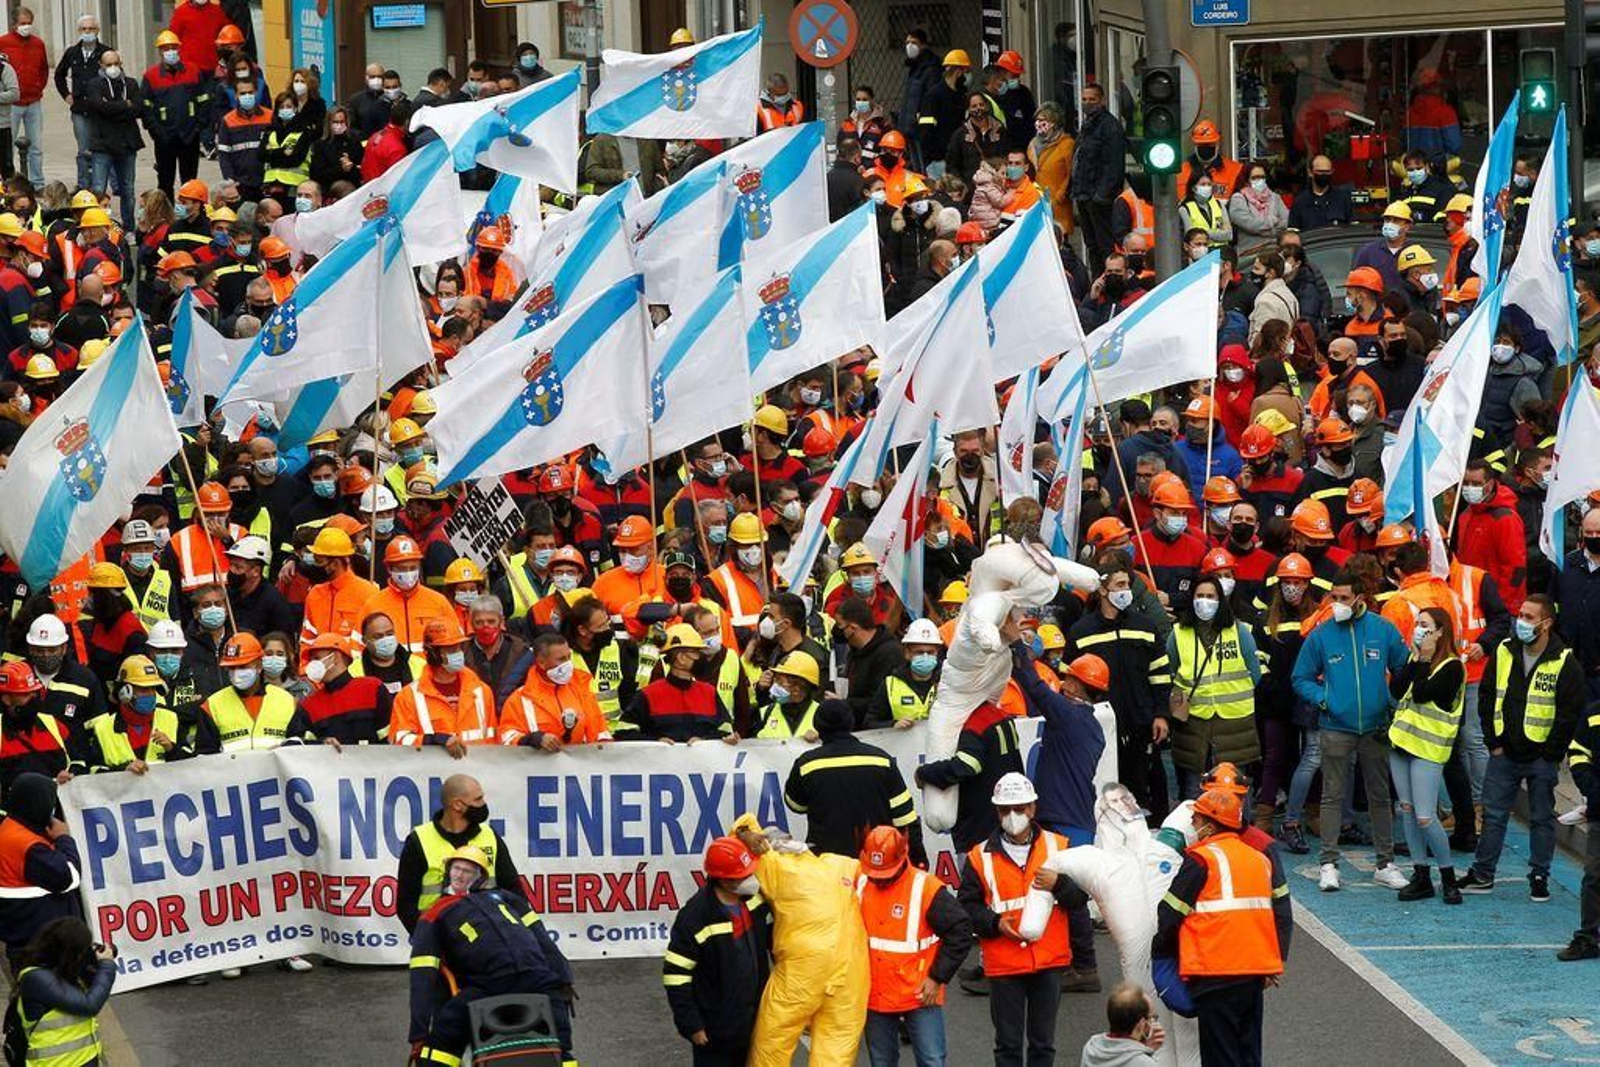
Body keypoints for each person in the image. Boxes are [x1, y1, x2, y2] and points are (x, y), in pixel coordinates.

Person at [1459, 594, 1585, 903]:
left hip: (1542, 757)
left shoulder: (1564, 662)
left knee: (1542, 818)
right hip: (1504, 753)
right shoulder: (1504, 650)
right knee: (1493, 815)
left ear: (1546, 623)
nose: (1522, 622)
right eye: (1521, 615)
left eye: (1529, 617)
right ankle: (1483, 873)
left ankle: (1539, 876)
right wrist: (1494, 743)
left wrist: (1551, 754)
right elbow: (1488, 697)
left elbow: (1569, 714)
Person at [1291, 572, 1412, 892]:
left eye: (1344, 598)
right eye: (1334, 597)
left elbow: (1404, 668)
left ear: (1360, 598)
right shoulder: (1321, 635)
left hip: (1375, 728)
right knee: (1332, 795)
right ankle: (1328, 864)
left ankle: (1385, 863)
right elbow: (1301, 677)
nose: (1337, 604)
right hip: (1335, 727)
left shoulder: (1383, 629)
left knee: (1380, 796)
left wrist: (1391, 702)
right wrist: (1324, 700)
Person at [1152, 789, 1290, 1067]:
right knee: (1247, 1054)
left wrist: (1163, 958)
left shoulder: (1201, 860)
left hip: (1214, 972)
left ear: (1210, 824)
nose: (1192, 825)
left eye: (1196, 819)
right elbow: (1275, 915)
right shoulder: (1259, 859)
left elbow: (1169, 913)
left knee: (1220, 1057)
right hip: (1253, 974)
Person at [957, 772, 1087, 1067]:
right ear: (997, 811)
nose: (1013, 816)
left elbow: (1079, 901)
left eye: (1020, 808)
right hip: (1004, 965)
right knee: (1008, 1047)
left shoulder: (1059, 847)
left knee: (1043, 1046)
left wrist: (1059, 884)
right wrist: (994, 924)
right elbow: (966, 908)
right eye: (1006, 810)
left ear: (1033, 808)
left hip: (1049, 962)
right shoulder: (980, 857)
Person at [408, 845, 577, 1066]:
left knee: (561, 1045)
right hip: (490, 982)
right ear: (448, 870)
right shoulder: (433, 913)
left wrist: (564, 979)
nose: (459, 875)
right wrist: (418, 1033)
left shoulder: (506, 898)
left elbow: (543, 940)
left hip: (537, 977)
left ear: (480, 877)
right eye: (456, 868)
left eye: (467, 871)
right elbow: (423, 972)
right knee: (444, 1034)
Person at [731, 813, 869, 1067]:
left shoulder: (776, 867)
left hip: (802, 972)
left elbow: (739, 836)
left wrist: (745, 833)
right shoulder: (842, 864)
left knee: (773, 1041)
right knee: (837, 1048)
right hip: (852, 974)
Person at [1013, 645, 1109, 993]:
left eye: (1069, 678)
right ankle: (1073, 961)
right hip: (1075, 817)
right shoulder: (1091, 726)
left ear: (1078, 687)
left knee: (1070, 894)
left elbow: (1034, 687)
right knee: (1066, 890)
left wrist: (1017, 650)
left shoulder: (1068, 716)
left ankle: (1084, 966)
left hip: (1064, 819)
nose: (1063, 683)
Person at [857, 825, 974, 1067]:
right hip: (875, 994)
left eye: (885, 874)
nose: (879, 880)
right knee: (881, 1061)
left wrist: (936, 977)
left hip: (919, 994)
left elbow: (961, 931)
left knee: (931, 1060)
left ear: (902, 858)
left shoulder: (925, 888)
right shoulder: (861, 883)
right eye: (875, 874)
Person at [663, 837, 773, 1065]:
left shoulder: (754, 902)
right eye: (742, 876)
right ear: (724, 880)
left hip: (753, 1024)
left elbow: (776, 939)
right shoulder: (695, 917)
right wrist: (692, 1025)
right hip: (715, 1032)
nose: (750, 879)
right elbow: (676, 978)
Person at [1388, 607, 1467, 905]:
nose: (1418, 629)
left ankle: (1448, 878)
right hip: (1402, 745)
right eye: (1417, 624)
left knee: (1425, 816)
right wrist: (1416, 658)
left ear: (1440, 631)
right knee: (1406, 810)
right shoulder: (1415, 659)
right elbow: (1397, 689)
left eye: (1424, 625)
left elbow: (1422, 693)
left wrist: (1422, 659)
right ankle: (1420, 875)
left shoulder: (1452, 667)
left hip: (1428, 751)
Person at [784, 699, 924, 864]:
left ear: (818, 726)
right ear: (851, 723)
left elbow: (795, 805)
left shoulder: (806, 764)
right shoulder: (881, 760)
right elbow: (904, 817)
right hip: (877, 863)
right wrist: (919, 860)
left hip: (827, 865)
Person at [396, 773, 525, 933]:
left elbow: (515, 892)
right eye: (478, 799)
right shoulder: (419, 841)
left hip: (489, 939)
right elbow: (406, 904)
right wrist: (428, 938)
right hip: (439, 938)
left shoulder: (489, 836)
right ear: (457, 805)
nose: (483, 804)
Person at [8, 917, 118, 1066]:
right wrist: (107, 965)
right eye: (81, 950)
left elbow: (95, 990)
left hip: (85, 1060)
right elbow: (89, 1005)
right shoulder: (36, 978)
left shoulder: (68, 973)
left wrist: (94, 963)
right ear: (68, 952)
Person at [0, 772, 82, 965]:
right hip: (41, 947)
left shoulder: (12, 827)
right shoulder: (28, 845)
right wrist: (64, 838)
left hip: (28, 937)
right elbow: (70, 877)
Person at [388, 620, 498, 752]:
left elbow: (495, 742)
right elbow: (399, 741)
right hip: (432, 771)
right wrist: (434, 740)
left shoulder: (481, 691)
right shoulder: (408, 697)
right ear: (434, 654)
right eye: (451, 649)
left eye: (459, 648)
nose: (458, 653)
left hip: (477, 770)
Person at [623, 624, 734, 743]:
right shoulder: (648, 695)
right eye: (696, 652)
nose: (701, 657)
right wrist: (655, 743)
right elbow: (623, 732)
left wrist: (704, 741)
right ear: (681, 658)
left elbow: (726, 730)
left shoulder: (709, 693)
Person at [499, 632, 612, 749]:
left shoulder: (582, 691)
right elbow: (507, 738)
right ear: (541, 663)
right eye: (561, 659)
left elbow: (601, 733)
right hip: (538, 765)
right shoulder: (520, 700)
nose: (568, 664)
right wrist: (533, 739)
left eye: (569, 657)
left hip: (580, 765)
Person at [78, 655, 188, 772]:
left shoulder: (171, 718)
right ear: (124, 692)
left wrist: (171, 749)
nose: (150, 694)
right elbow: (93, 771)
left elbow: (192, 764)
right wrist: (123, 770)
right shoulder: (104, 728)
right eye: (143, 689)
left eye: (153, 688)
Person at [1454, 459, 1529, 614]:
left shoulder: (1505, 518)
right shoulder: (1466, 515)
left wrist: (1499, 605)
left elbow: (1515, 569)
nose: (1469, 488)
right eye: (1466, 483)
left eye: (1475, 483)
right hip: (1472, 602)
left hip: (1497, 607)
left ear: (1489, 484)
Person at [84, 50, 143, 234]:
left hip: (127, 143)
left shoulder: (131, 83)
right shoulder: (94, 84)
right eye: (108, 65)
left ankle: (129, 228)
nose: (113, 68)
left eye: (116, 63)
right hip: (102, 143)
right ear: (101, 66)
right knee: (99, 188)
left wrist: (111, 107)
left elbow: (138, 108)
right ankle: (96, 225)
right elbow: (99, 107)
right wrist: (124, 105)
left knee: (128, 189)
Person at [1071, 82, 1127, 275]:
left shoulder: (1109, 126)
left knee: (1104, 245)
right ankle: (1097, 280)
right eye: (1084, 99)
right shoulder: (1087, 125)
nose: (1087, 103)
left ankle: (1108, 278)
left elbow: (1114, 164)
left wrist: (1101, 194)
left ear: (1101, 100)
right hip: (1085, 193)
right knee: (1092, 245)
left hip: (1098, 197)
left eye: (1091, 99)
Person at [298, 632, 392, 745]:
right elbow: (296, 744)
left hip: (373, 761)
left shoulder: (372, 689)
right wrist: (321, 743)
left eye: (316, 658)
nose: (312, 665)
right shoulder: (308, 706)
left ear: (335, 657)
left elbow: (391, 737)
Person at [54, 15, 110, 190]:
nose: (87, 32)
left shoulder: (105, 52)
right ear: (79, 31)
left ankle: (99, 185)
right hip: (79, 109)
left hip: (99, 109)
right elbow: (59, 75)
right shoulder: (72, 53)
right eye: (84, 29)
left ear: (97, 30)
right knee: (83, 149)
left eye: (91, 29)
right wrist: (66, 95)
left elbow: (116, 76)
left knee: (100, 148)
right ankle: (83, 185)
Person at [1, 8, 50, 187]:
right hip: (11, 104)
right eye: (22, 23)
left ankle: (37, 183)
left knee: (36, 146)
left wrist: (38, 86)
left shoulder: (38, 44)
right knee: (7, 146)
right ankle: (10, 183)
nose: (26, 26)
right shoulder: (3, 42)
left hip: (34, 101)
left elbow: (44, 68)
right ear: (14, 24)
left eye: (29, 23)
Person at [1080, 983, 1165, 1065]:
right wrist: (1147, 1053)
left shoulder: (1091, 1048)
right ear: (1141, 1024)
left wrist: (1145, 1049)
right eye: (1152, 1017)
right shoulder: (1145, 1063)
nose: (1153, 1022)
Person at [1287, 155, 1352, 232]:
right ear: (1310, 173)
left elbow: (1353, 229)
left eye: (1328, 172)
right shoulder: (1300, 201)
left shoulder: (1343, 198)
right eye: (1320, 172)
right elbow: (1293, 233)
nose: (1324, 175)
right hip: (1311, 243)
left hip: (1338, 243)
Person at [1228, 164, 1288, 244]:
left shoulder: (1275, 197)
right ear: (1246, 180)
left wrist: (1264, 230)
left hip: (1274, 248)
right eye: (1254, 177)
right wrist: (1272, 221)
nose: (1259, 180)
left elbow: (1285, 222)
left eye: (1262, 177)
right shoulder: (1239, 198)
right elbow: (1251, 225)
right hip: (1250, 251)